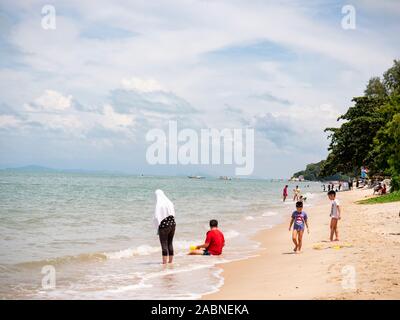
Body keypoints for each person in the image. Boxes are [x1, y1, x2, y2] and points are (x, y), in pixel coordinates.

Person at [153, 189, 176, 264]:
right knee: (170, 243)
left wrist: (157, 229)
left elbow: (156, 218)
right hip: (173, 224)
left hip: (164, 225)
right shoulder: (170, 202)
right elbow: (173, 214)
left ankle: (164, 263)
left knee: (164, 244)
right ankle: (170, 262)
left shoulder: (159, 204)